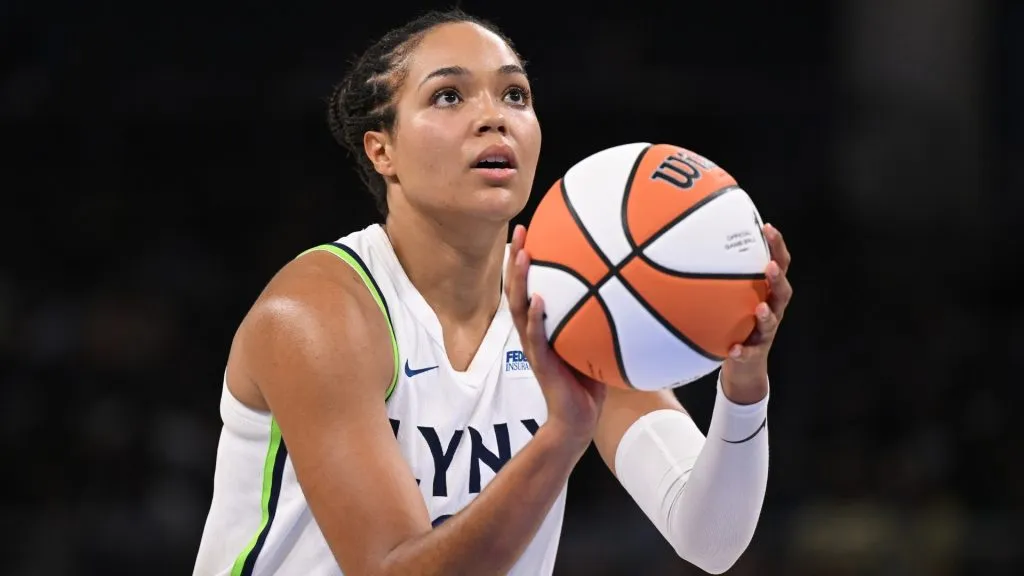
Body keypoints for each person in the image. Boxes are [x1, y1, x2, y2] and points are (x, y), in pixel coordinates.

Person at [192, 8, 793, 576]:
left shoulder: (569, 302)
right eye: (448, 96)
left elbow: (709, 540)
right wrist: (562, 435)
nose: (493, 116)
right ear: (383, 149)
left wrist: (743, 389)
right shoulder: (319, 312)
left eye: (515, 95)